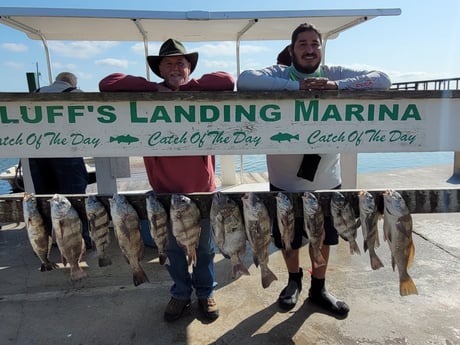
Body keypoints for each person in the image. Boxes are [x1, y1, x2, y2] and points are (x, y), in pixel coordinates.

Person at [237, 23, 391, 316]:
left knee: (324, 237)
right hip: (283, 180)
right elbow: (244, 81)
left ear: (321, 48)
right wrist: (295, 87)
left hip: (326, 179)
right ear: (292, 50)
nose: (310, 49)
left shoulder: (334, 72)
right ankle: (293, 282)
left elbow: (382, 79)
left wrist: (338, 86)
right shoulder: (279, 74)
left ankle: (318, 288)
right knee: (288, 238)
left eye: (315, 44)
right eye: (303, 44)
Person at [99, 38, 234, 322]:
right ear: (158, 69)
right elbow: (107, 83)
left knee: (204, 249)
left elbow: (227, 79)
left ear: (189, 67)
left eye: (181, 62)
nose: (175, 67)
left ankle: (205, 291)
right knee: (171, 249)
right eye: (168, 63)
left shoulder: (199, 92)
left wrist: (185, 87)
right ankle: (180, 293)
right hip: (164, 193)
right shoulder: (149, 95)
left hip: (202, 192)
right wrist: (155, 89)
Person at [29, 72, 91, 248]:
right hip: (66, 150)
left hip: (38, 153)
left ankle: (51, 239)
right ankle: (81, 239)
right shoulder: (74, 93)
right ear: (72, 82)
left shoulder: (35, 92)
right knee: (74, 197)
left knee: (46, 198)